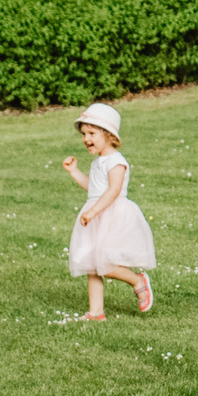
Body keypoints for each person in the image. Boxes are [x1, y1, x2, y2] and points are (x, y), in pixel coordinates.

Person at [61, 102, 156, 319]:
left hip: (112, 215)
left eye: (92, 133)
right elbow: (93, 188)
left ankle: (138, 281)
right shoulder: (98, 162)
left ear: (109, 135)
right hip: (96, 215)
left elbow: (113, 191)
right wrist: (74, 172)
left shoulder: (116, 161)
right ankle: (96, 312)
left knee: (106, 264)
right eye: (84, 134)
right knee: (92, 266)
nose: (86, 139)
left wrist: (93, 211)